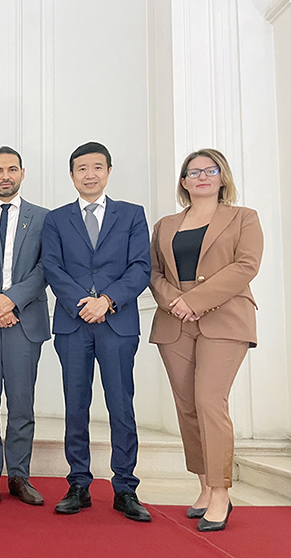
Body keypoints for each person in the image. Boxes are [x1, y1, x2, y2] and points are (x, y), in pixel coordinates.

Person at [149, 148, 262, 532]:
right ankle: (203, 486)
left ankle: (220, 493)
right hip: (175, 322)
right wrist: (176, 303)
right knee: (188, 407)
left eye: (209, 170)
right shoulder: (166, 225)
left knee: (210, 401)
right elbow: (154, 273)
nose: (201, 176)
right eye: (193, 172)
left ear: (221, 176)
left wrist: (195, 301)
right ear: (183, 181)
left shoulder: (244, 217)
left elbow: (246, 266)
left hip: (225, 318)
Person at [41, 142, 152, 522]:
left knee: (121, 405)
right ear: (72, 175)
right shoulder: (56, 219)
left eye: (97, 167)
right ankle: (78, 484)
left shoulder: (132, 214)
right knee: (76, 405)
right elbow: (53, 268)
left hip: (117, 323)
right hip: (73, 325)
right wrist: (83, 304)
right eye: (82, 168)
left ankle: (125, 488)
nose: (90, 174)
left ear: (108, 171)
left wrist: (106, 301)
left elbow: (140, 267)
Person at [0, 147, 50, 505]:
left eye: (12, 169)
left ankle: (19, 475)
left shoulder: (44, 218)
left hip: (24, 322)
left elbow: (47, 267)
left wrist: (12, 299)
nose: (5, 176)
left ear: (22, 173)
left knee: (21, 404)